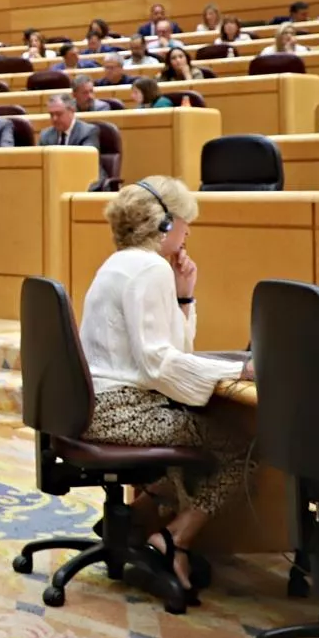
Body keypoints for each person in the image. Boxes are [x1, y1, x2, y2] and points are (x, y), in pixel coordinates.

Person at [78, 178, 253, 598]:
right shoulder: (150, 268)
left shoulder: (121, 262)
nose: (188, 231)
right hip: (123, 410)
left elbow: (167, 350)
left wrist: (185, 298)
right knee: (242, 446)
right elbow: (159, 362)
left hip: (97, 406)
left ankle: (140, 518)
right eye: (184, 221)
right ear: (162, 224)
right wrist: (232, 373)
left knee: (198, 428)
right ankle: (177, 539)